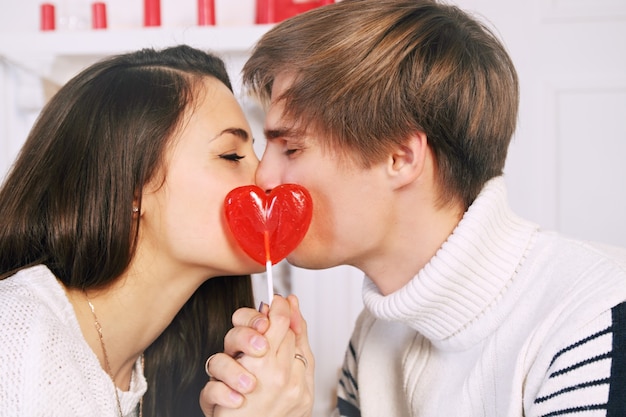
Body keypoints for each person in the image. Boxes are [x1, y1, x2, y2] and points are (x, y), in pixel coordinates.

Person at [201, 0, 626, 416]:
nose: (262, 178)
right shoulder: (373, 336)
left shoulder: (592, 322)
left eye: (291, 147)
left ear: (401, 158)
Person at [0, 44, 311, 417]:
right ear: (131, 188)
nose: (265, 176)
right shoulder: (18, 340)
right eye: (231, 156)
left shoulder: (151, 366)